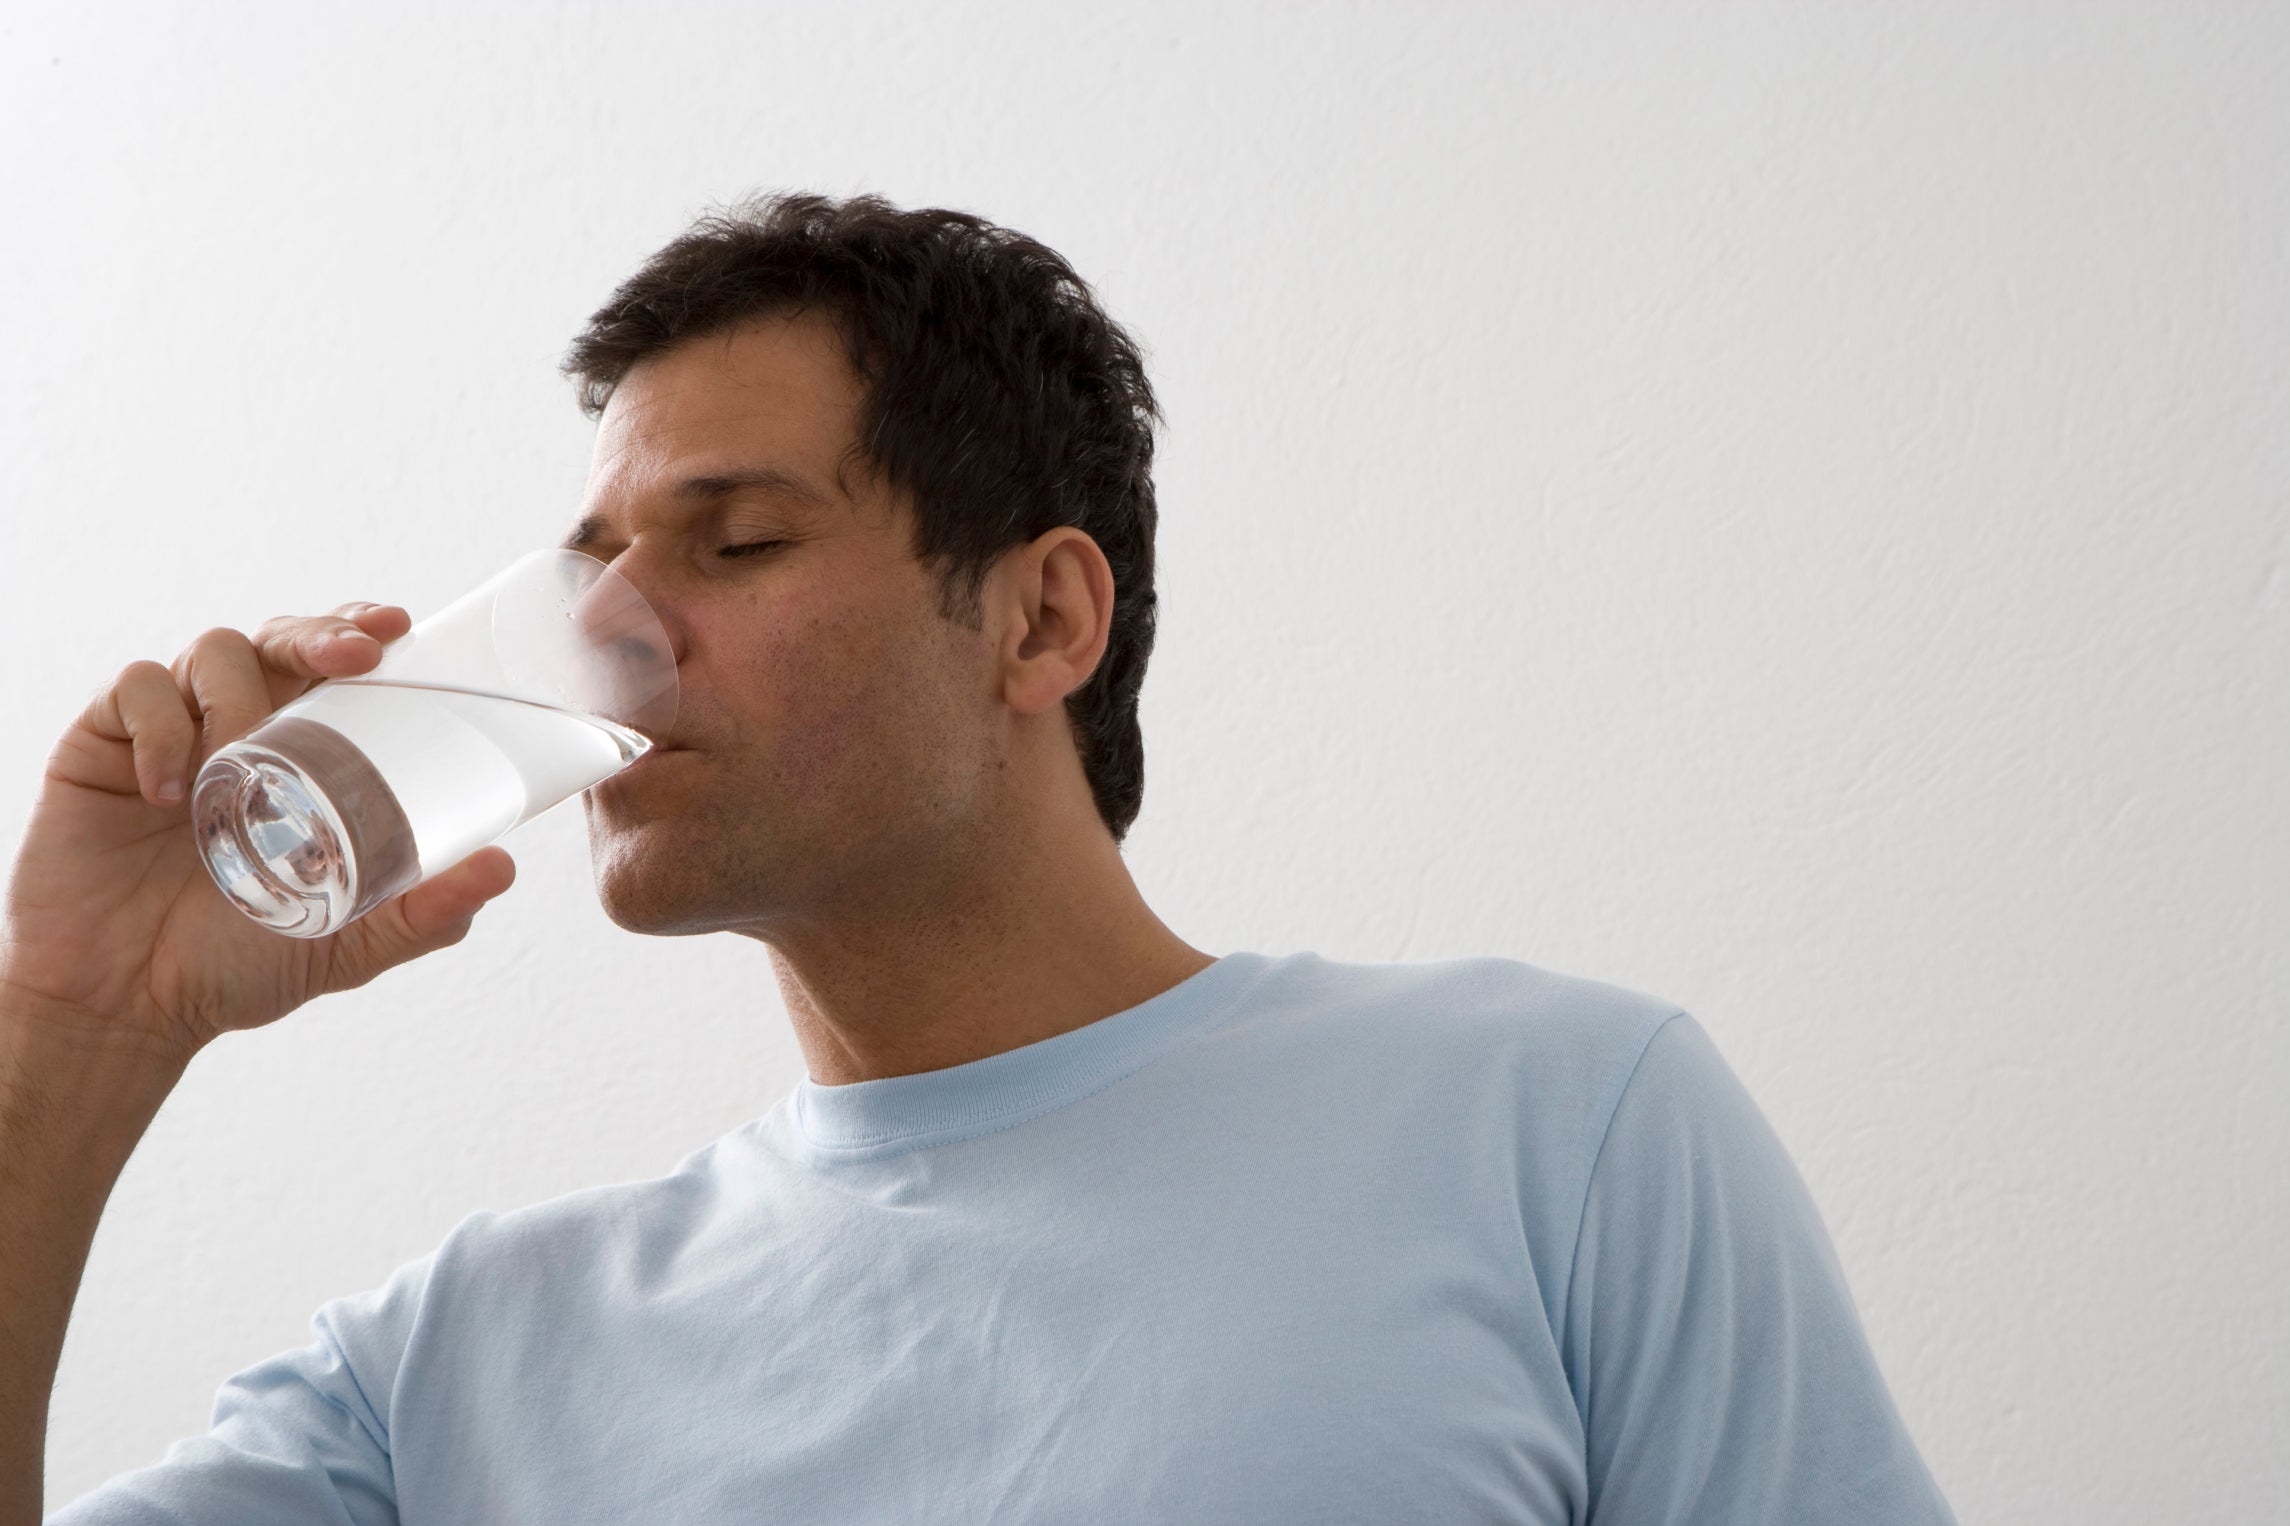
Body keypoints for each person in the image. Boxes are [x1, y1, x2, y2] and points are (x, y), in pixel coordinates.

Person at [1, 192, 1957, 1524]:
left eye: (735, 540)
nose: (614, 631)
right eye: (592, 567)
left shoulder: (1551, 1123)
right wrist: (77, 1023)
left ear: (1037, 624)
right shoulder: (451, 1373)